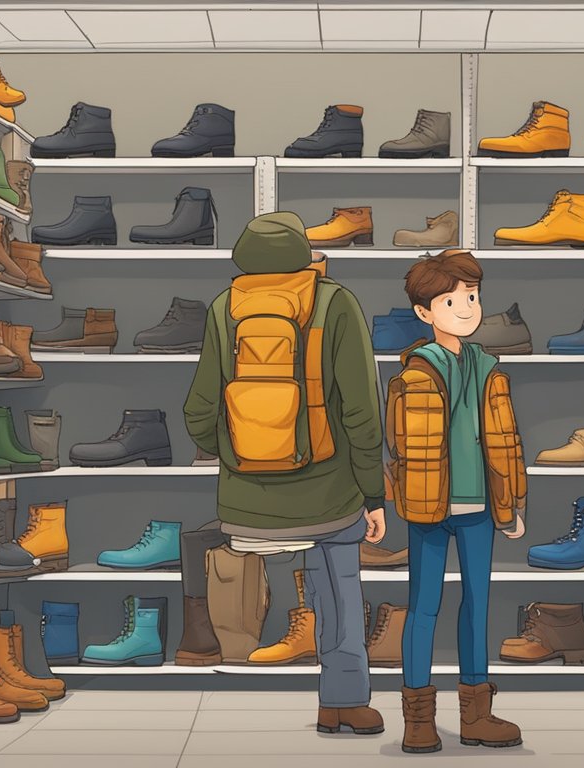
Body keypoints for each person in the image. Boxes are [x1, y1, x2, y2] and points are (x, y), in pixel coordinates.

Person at [184, 211, 386, 735]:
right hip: (330, 496)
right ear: (305, 256)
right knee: (340, 585)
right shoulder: (335, 303)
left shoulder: (224, 308)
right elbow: (362, 410)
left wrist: (235, 456)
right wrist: (373, 493)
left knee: (294, 570)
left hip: (246, 505)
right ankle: (342, 702)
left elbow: (199, 410)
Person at [385, 250, 527, 753]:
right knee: (423, 608)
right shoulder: (415, 371)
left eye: (471, 296)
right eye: (452, 299)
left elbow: (507, 441)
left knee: (477, 607)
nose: (466, 308)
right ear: (425, 313)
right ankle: (418, 720)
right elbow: (398, 445)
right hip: (428, 509)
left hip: (481, 510)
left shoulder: (489, 367)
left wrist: (509, 504)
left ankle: (476, 716)